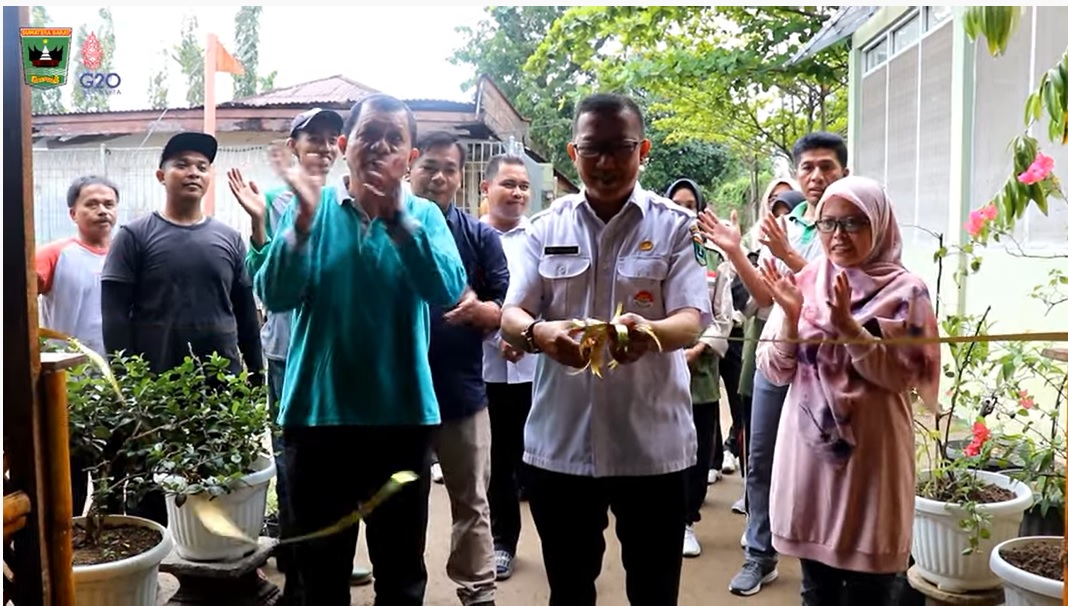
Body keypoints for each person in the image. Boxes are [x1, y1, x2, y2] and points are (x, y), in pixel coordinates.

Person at [254, 93, 467, 606]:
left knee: (401, 574)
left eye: (395, 139)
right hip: (317, 420)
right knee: (319, 577)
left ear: (409, 157)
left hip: (402, 420)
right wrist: (301, 227)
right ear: (345, 145)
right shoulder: (309, 209)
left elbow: (446, 290)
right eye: (370, 134)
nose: (381, 147)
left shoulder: (424, 216)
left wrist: (399, 222)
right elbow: (275, 295)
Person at [500, 93, 711, 605]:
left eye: (622, 148)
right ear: (574, 152)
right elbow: (512, 315)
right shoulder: (545, 228)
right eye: (593, 149)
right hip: (562, 445)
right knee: (569, 589)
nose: (607, 163)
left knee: (654, 591)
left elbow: (692, 319)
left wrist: (652, 333)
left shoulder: (676, 226)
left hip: (652, 446)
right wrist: (538, 335)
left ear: (644, 151)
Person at [757, 176, 940, 604]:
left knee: (870, 591)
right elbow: (775, 369)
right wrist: (790, 318)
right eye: (828, 223)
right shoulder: (806, 281)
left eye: (854, 222)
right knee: (816, 589)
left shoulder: (907, 292)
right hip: (811, 461)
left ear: (879, 224)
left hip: (871, 462)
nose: (838, 235)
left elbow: (902, 377)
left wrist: (850, 330)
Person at [227, 108, 373, 595]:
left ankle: (331, 556)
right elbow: (263, 278)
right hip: (286, 352)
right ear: (293, 146)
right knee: (295, 463)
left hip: (336, 353)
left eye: (332, 139)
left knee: (343, 463)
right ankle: (298, 563)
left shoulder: (348, 198)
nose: (324, 147)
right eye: (313, 139)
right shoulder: (274, 199)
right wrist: (259, 225)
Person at [698, 131, 849, 596]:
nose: (817, 176)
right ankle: (759, 553)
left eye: (826, 166)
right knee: (760, 456)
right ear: (797, 175)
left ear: (844, 170)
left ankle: (830, 559)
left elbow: (843, 289)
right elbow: (765, 297)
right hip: (779, 354)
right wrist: (735, 251)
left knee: (830, 459)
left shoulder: (856, 221)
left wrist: (788, 256)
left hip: (833, 364)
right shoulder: (788, 225)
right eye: (808, 167)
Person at [101, 132, 264, 525]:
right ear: (162, 176)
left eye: (202, 167)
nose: (193, 172)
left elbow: (246, 314)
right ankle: (158, 553)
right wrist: (129, 384)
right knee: (154, 485)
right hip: (157, 388)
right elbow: (115, 316)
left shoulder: (229, 239)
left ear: (210, 177)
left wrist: (255, 376)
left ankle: (219, 552)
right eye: (182, 164)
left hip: (220, 387)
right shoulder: (134, 236)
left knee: (219, 478)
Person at [410, 131, 508, 606]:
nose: (438, 177)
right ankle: (404, 591)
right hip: (398, 396)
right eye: (429, 166)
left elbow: (509, 303)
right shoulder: (384, 228)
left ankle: (478, 592)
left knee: (471, 501)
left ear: (461, 176)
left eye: (449, 169)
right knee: (401, 507)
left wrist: (486, 312)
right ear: (411, 168)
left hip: (462, 392)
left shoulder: (479, 236)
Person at [37, 174, 120, 517]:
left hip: (120, 386)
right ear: (73, 213)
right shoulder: (55, 254)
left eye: (109, 204)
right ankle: (67, 539)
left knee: (116, 476)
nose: (102, 210)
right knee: (68, 478)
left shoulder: (126, 255)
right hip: (68, 388)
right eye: (92, 204)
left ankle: (109, 532)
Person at [665, 178, 736, 559]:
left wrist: (697, 349)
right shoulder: (653, 249)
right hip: (658, 365)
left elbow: (723, 316)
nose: (684, 211)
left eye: (690, 204)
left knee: (696, 444)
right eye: (676, 203)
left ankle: (686, 521)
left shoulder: (713, 258)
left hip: (701, 369)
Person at [731, 185, 805, 514]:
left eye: (788, 209)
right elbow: (758, 299)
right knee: (758, 435)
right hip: (765, 337)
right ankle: (757, 519)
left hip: (808, 346)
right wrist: (736, 252)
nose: (781, 219)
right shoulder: (759, 243)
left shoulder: (822, 237)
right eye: (775, 205)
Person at [479, 154, 536, 580]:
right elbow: (460, 296)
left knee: (542, 459)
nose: (517, 193)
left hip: (537, 368)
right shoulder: (471, 238)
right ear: (486, 188)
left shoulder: (539, 238)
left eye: (523, 186)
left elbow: (553, 295)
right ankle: (503, 542)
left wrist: (526, 338)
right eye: (508, 184)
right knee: (498, 462)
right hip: (489, 370)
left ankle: (561, 544)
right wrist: (498, 338)